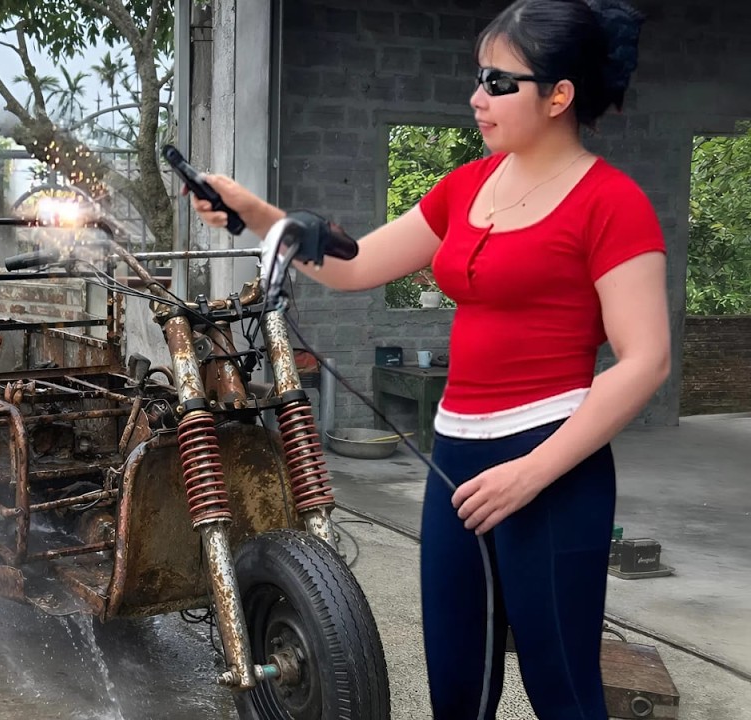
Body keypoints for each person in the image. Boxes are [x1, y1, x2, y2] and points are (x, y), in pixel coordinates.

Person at [191, 0, 667, 716]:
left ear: (559, 95)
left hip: (550, 464)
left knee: (562, 687)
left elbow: (646, 361)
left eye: (499, 83)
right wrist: (255, 213)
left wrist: (527, 476)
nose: (477, 97)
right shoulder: (469, 186)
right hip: (456, 458)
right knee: (456, 681)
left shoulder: (612, 203)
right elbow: (355, 267)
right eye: (479, 77)